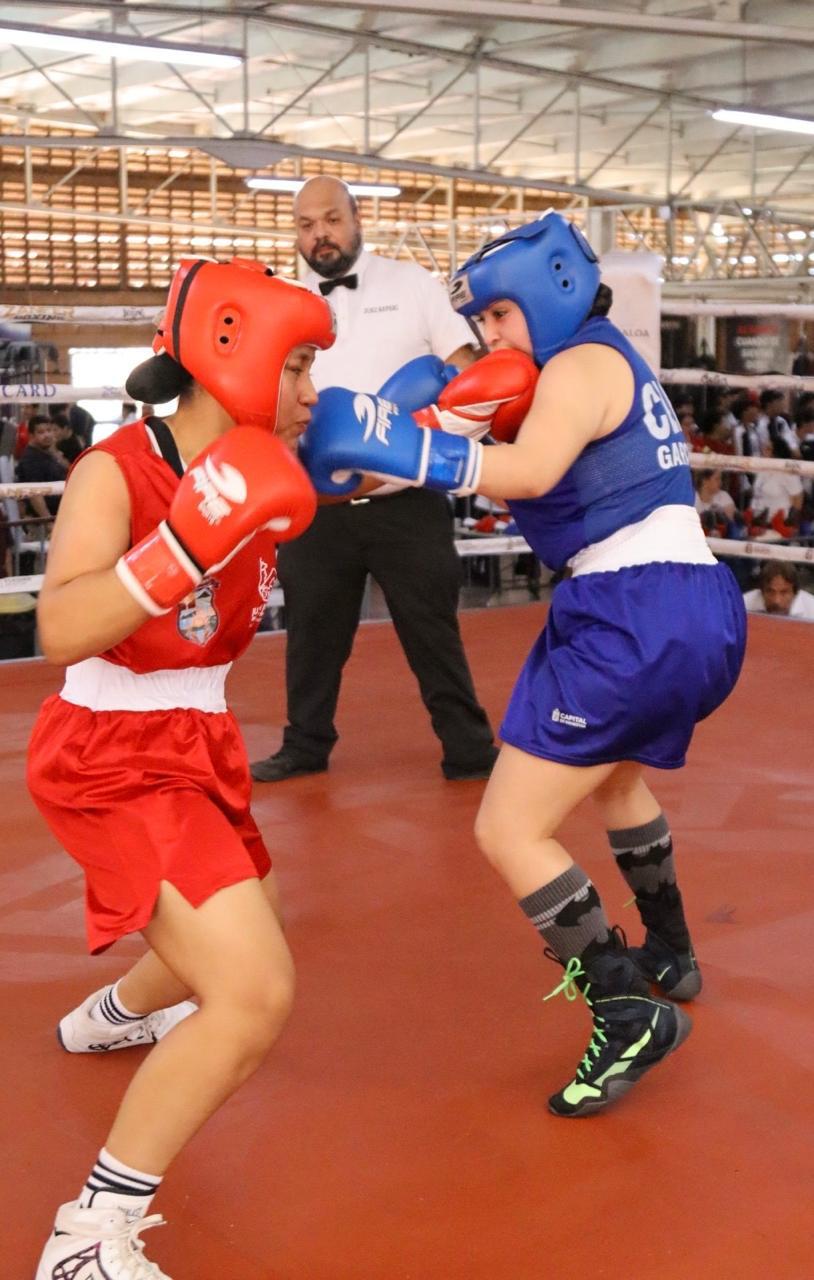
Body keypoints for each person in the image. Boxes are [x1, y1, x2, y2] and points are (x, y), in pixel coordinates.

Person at [299, 212, 747, 1116]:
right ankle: (671, 953)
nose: (490, 336)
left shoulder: (579, 364)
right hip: (679, 600)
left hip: (632, 609)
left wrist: (407, 442)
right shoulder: (576, 368)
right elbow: (457, 460)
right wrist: (362, 467)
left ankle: (626, 1013)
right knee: (617, 780)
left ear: (553, 290)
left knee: (508, 828)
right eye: (483, 322)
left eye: (500, 316)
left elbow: (533, 473)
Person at [29, 257, 335, 1279]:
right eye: (296, 365)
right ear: (231, 352)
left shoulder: (270, 465)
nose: (310, 390)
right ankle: (88, 1236)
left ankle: (108, 1016)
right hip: (111, 749)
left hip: (198, 738)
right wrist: (178, 550)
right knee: (251, 991)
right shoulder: (116, 470)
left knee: (257, 915)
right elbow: (60, 626)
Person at [250, 175, 498, 783]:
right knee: (311, 633)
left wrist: (424, 441)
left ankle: (467, 746)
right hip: (316, 501)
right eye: (306, 225)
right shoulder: (282, 301)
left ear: (358, 219)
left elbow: (469, 377)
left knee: (432, 629)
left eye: (332, 220)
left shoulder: (413, 285)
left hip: (404, 498)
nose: (320, 234)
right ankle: (305, 744)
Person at [15, 415, 68, 520]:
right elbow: (35, 494)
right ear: (31, 436)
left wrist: (55, 452)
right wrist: (48, 522)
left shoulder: (47, 452)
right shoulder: (31, 459)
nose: (47, 435)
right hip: (43, 521)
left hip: (61, 515)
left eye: (49, 430)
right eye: (41, 432)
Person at [743, 559, 814, 619]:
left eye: (784, 592)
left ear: (795, 593)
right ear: (761, 591)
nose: (776, 601)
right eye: (770, 591)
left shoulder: (811, 609)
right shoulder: (743, 604)